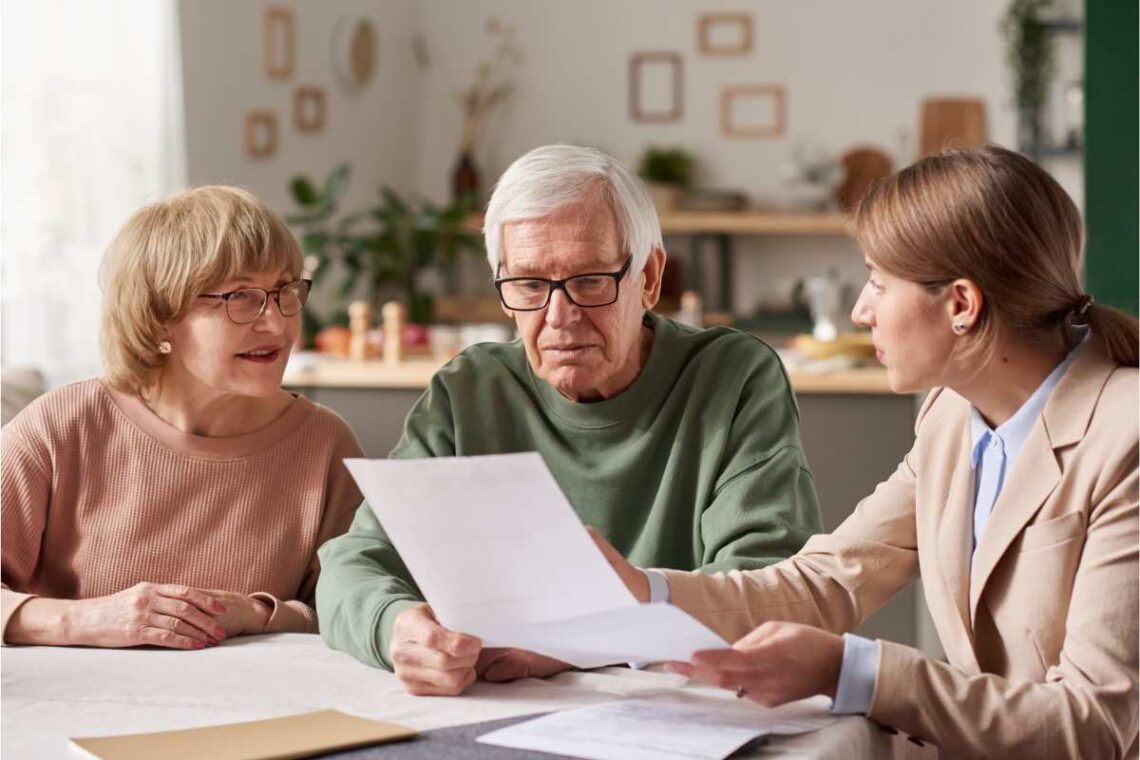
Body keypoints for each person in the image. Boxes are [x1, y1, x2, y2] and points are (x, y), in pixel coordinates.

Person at [594, 145, 1139, 758]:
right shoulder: (951, 416)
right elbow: (830, 580)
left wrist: (857, 672)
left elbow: (1093, 726)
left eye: (879, 283)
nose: (860, 311)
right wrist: (644, 592)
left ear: (961, 304)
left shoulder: (1126, 436)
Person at [317, 144, 824, 695]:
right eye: (530, 285)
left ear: (649, 277)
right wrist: (396, 629)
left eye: (589, 280)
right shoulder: (470, 391)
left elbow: (766, 592)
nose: (560, 318)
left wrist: (577, 646)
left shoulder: (734, 378)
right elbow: (352, 565)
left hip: (682, 713)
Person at [2, 186, 364, 649]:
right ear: (158, 318)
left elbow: (355, 609)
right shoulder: (62, 426)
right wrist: (90, 619)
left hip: (258, 709)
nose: (277, 324)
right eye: (241, 297)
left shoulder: (324, 442)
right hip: (78, 707)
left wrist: (257, 613)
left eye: (283, 291)